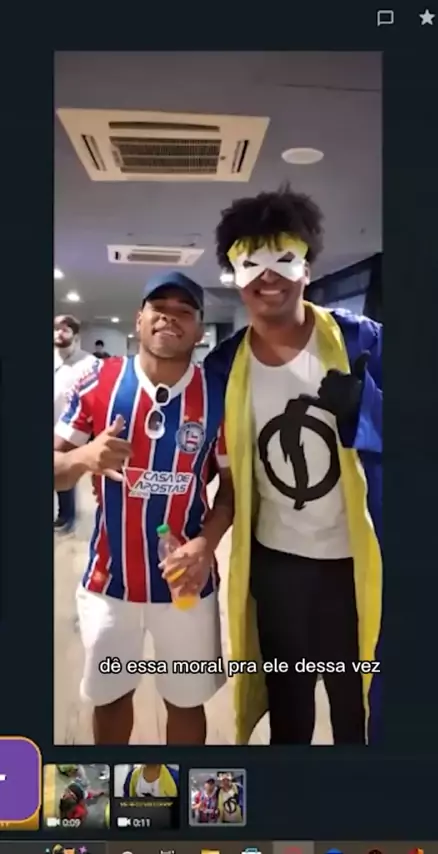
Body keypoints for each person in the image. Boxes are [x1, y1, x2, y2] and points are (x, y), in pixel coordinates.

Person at [205, 185, 383, 746]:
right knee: (289, 705)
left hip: (358, 561)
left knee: (359, 705)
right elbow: (204, 461)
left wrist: (368, 409)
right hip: (277, 564)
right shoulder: (224, 365)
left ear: (307, 267)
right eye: (250, 263)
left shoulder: (361, 341)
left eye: (284, 259)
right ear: (234, 275)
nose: (268, 277)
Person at [54, 272, 234, 745]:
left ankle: (182, 791)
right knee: (111, 699)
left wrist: (206, 543)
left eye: (184, 311)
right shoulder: (98, 381)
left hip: (187, 584)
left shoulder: (218, 394)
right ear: (139, 319)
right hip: (110, 583)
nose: (169, 318)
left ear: (199, 330)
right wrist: (83, 457)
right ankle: (112, 786)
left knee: (187, 702)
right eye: (159, 307)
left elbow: (232, 490)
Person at [54, 314, 97, 532]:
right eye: (56, 329)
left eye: (64, 329)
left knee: (64, 468)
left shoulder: (88, 363)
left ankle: (66, 515)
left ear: (75, 335)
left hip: (70, 427)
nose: (59, 333)